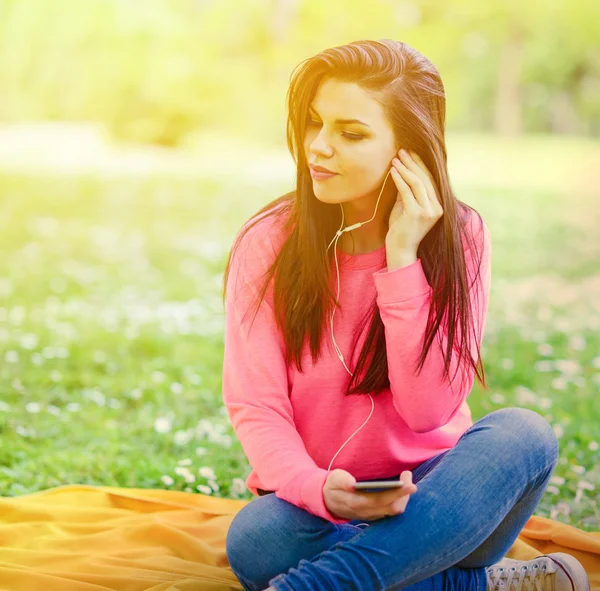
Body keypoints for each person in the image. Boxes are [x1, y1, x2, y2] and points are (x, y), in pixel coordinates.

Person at [221, 39, 590, 591]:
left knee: (526, 433)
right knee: (257, 539)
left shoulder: (460, 238)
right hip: (318, 502)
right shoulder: (269, 240)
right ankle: (471, 584)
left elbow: (428, 412)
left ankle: (319, 585)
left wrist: (402, 261)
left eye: (351, 133)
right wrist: (317, 488)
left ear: (409, 149)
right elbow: (256, 403)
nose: (318, 148)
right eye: (314, 123)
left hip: (441, 498)